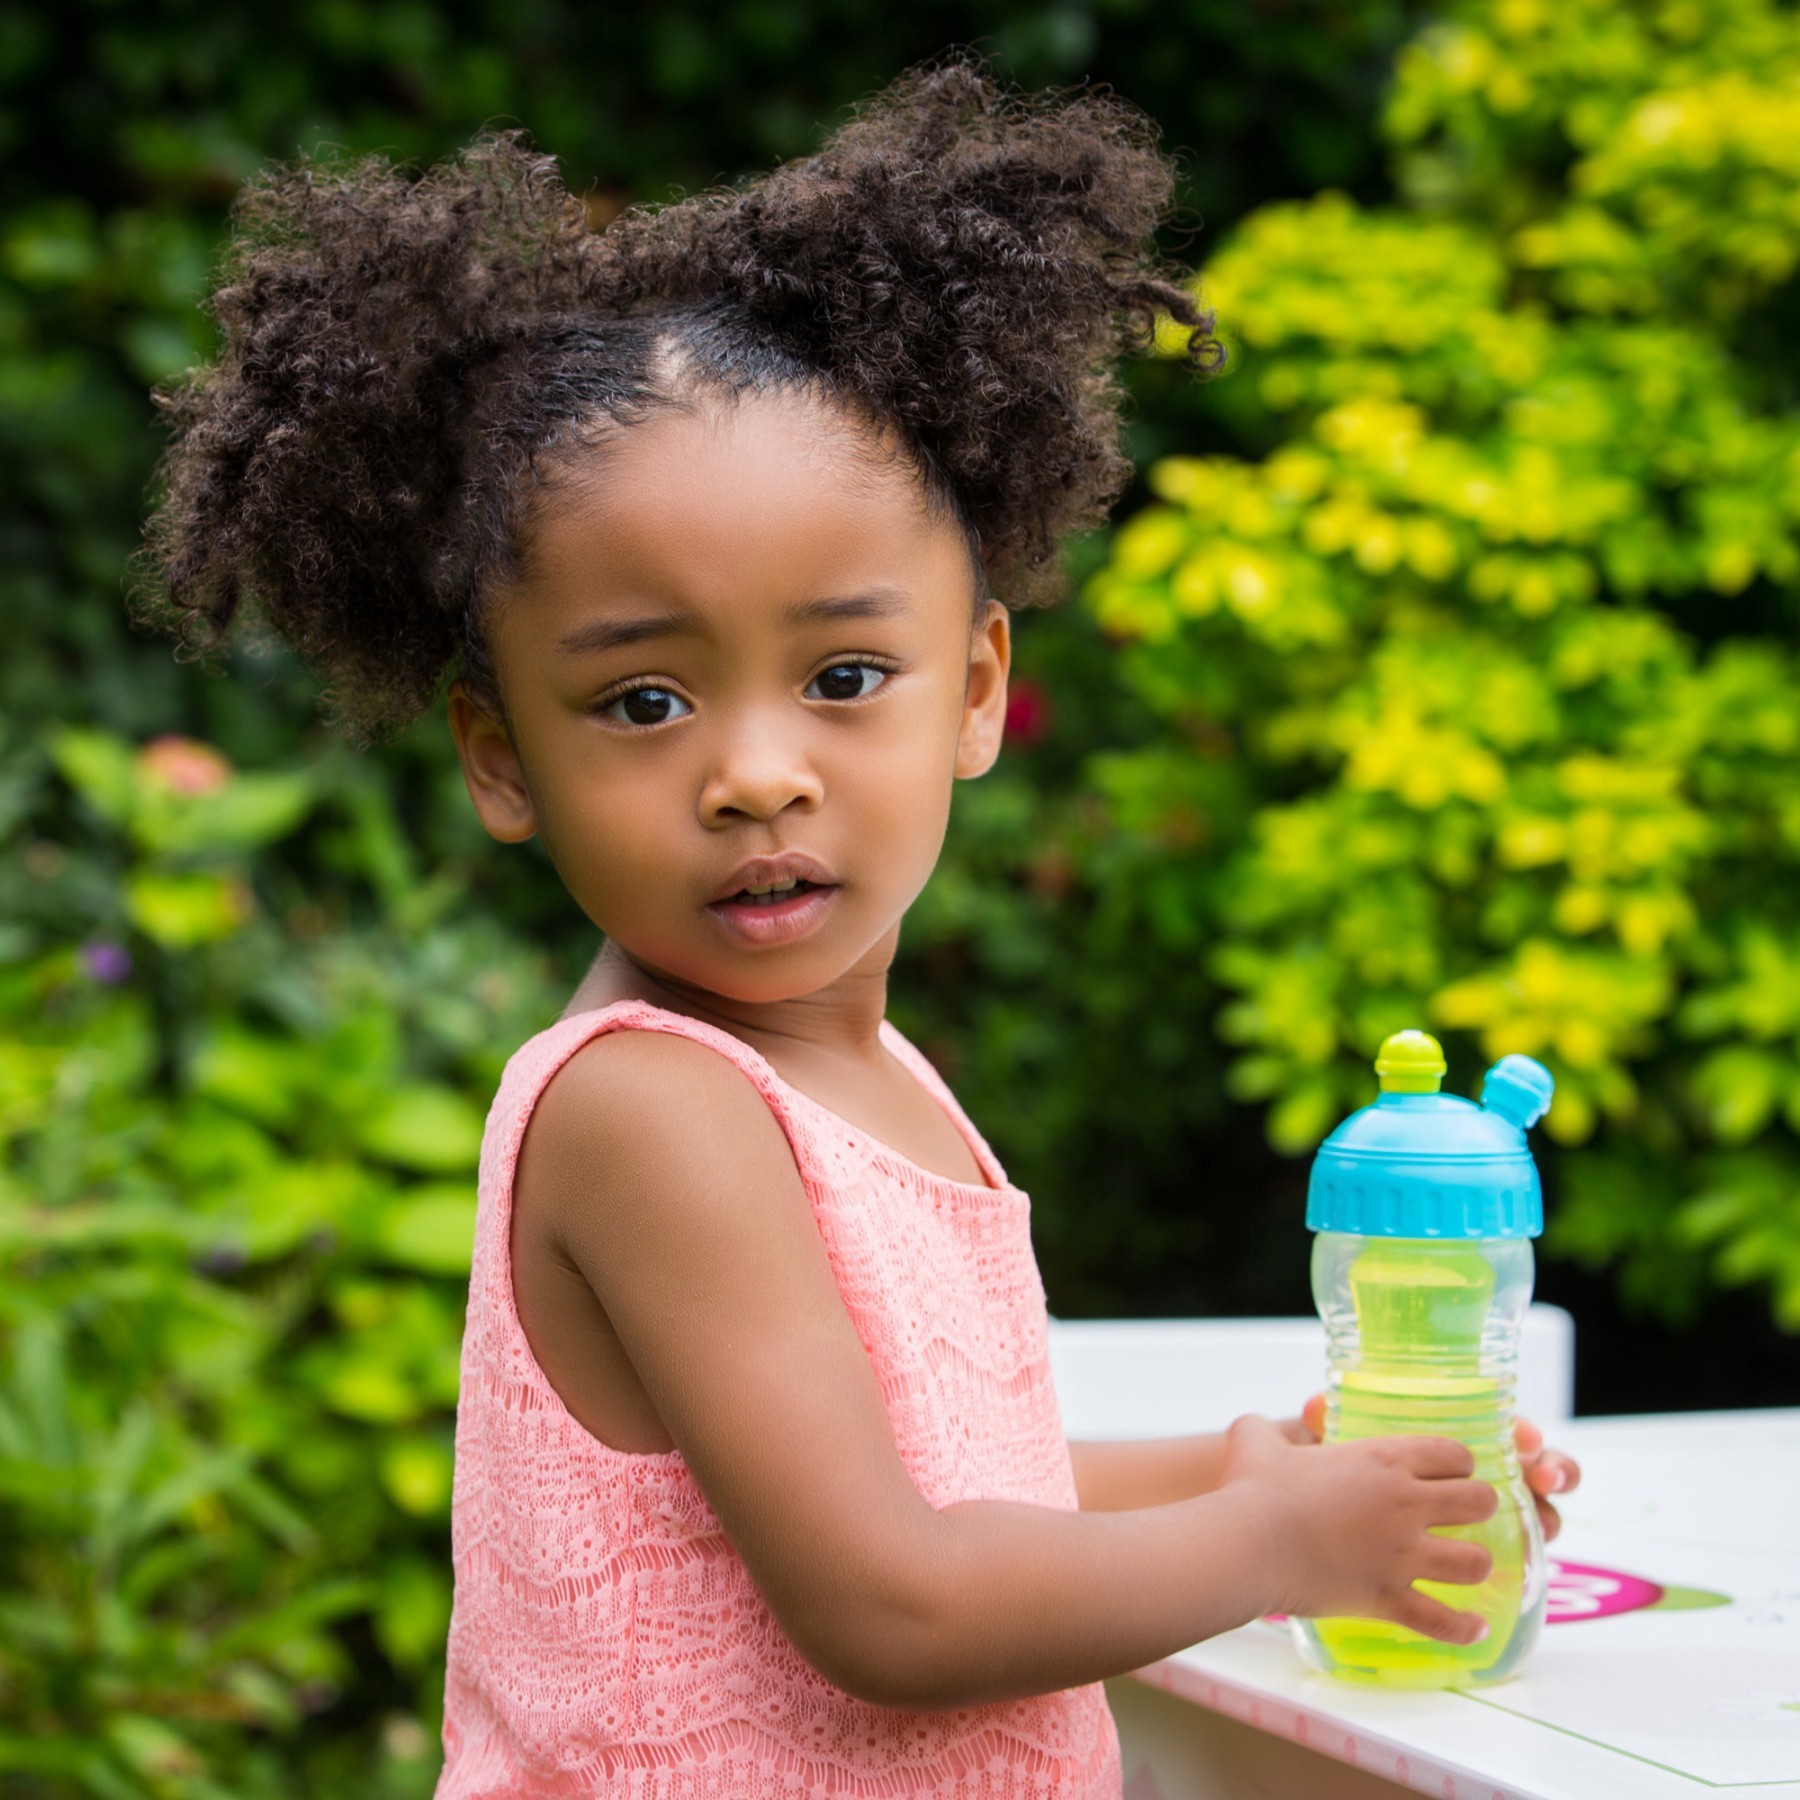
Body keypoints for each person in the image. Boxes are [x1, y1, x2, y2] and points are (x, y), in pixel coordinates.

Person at [141, 57, 1579, 1799]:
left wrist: (1248, 1467)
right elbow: (893, 1601)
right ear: (500, 756)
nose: (756, 775)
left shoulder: (858, 1070)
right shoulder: (652, 1112)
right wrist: (1276, 1546)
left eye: (840, 678)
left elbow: (952, 1479)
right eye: (644, 700)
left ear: (973, 693)